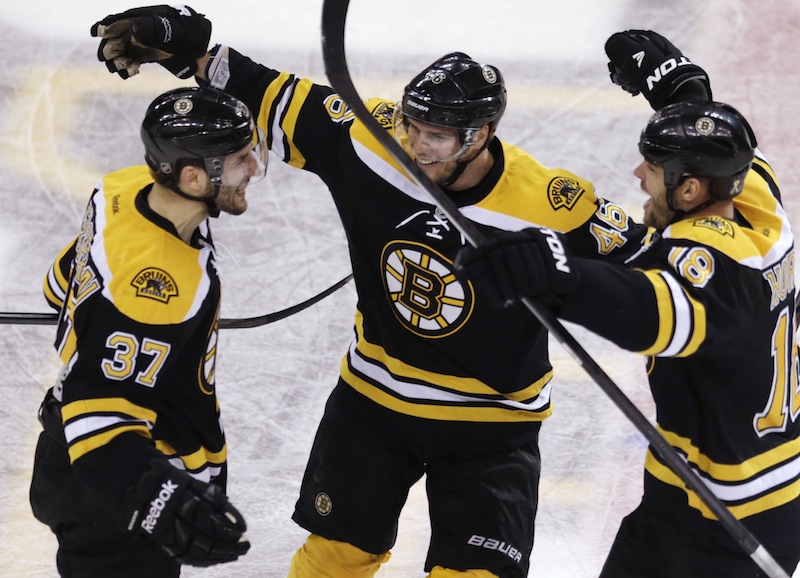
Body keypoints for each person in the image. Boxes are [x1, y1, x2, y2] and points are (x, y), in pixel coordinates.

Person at [86, 8, 702, 577]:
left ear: (481, 133)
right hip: (374, 404)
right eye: (412, 123)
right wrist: (180, 42)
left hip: (492, 426)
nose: (416, 142)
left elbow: (657, 276)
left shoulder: (551, 203)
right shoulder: (373, 142)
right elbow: (267, 93)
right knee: (334, 559)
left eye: (437, 132)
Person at [455, 39, 800, 578]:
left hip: (729, 522)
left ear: (689, 190)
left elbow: (645, 311)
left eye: (655, 168)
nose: (640, 174)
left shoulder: (715, 275)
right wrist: (684, 94)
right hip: (687, 492)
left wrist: (554, 269)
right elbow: (725, 153)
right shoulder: (759, 206)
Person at [29, 85, 268, 577]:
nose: (255, 170)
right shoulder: (156, 290)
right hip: (110, 490)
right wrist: (159, 503)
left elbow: (60, 284)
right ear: (192, 175)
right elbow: (101, 419)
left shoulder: (122, 188)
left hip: (64, 455)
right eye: (241, 159)